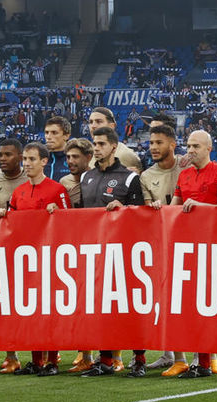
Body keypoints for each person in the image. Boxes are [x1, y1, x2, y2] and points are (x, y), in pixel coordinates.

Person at [0, 142, 72, 376]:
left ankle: (52, 362)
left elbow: (72, 220)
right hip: (26, 259)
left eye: (32, 159)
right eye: (25, 159)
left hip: (50, 258)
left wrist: (57, 214)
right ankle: (36, 361)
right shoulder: (19, 192)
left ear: (44, 162)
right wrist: (3, 215)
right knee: (32, 312)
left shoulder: (56, 189)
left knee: (49, 311)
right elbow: (13, 222)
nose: (26, 164)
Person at [80, 126, 147, 378]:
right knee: (102, 309)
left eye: (101, 144)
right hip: (96, 252)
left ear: (113, 147)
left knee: (131, 308)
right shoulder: (87, 177)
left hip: (125, 253)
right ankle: (105, 359)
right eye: (94, 143)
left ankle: (139, 359)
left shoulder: (129, 178)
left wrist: (125, 208)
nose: (96, 148)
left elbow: (141, 215)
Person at [170, 129, 217, 379]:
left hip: (214, 246)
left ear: (209, 148)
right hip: (187, 248)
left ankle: (210, 359)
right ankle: (198, 360)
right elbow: (173, 210)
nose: (191, 150)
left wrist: (200, 207)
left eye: (196, 146)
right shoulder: (184, 175)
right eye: (188, 145)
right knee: (190, 305)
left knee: (211, 304)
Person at [137, 123, 185, 372]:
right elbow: (147, 211)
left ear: (172, 144)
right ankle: (169, 354)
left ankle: (201, 356)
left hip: (188, 240)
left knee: (186, 299)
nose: (153, 147)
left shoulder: (186, 166)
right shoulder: (146, 176)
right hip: (161, 241)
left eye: (159, 143)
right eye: (151, 143)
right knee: (163, 297)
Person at [0, 139, 27, 374]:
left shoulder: (29, 181)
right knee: (4, 305)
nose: (2, 158)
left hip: (29, 250)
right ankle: (11, 355)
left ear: (20, 157)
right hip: (0, 251)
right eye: (0, 154)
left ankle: (49, 352)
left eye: (8, 154)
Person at [87, 106, 141, 171]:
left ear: (112, 126)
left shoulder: (125, 154)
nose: (93, 126)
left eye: (99, 121)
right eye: (90, 122)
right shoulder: (86, 155)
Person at [60, 137, 92, 207]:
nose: (70, 161)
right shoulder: (64, 182)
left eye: (75, 157)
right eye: (68, 157)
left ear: (88, 157)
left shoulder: (98, 179)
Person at [42, 115, 71, 181]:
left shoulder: (75, 159)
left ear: (66, 136)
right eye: (46, 133)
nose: (48, 137)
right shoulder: (40, 159)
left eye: (54, 133)